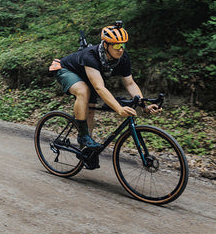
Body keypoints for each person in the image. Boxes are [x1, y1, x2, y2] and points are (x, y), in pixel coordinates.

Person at [52, 21, 161, 150]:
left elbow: (130, 83)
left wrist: (143, 105)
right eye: (116, 46)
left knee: (90, 110)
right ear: (105, 45)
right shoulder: (90, 55)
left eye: (123, 45)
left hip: (89, 75)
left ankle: (86, 148)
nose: (120, 49)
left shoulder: (123, 58)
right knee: (83, 91)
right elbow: (99, 87)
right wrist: (119, 109)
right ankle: (82, 135)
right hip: (67, 70)